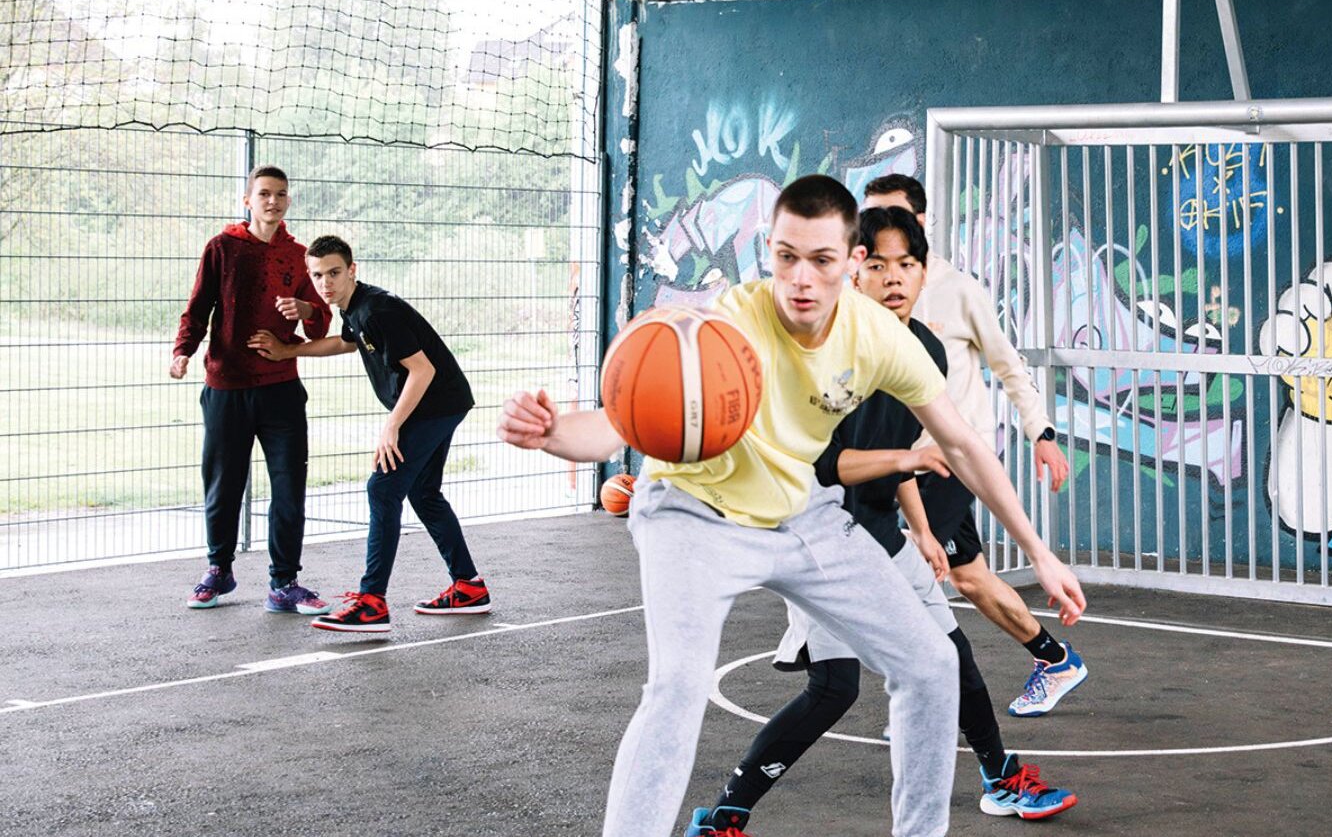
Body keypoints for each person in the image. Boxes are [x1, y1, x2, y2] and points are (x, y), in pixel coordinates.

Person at [498, 174, 1085, 837]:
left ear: (852, 262)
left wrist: (1039, 552)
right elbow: (618, 421)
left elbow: (965, 443)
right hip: (693, 513)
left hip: (802, 516)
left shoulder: (879, 338)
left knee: (931, 663)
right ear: (770, 251)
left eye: (822, 260)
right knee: (677, 687)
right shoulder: (728, 323)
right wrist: (552, 433)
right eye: (785, 256)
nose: (801, 278)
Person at [683, 206, 1076, 837]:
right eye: (880, 264)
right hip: (816, 536)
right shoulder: (828, 345)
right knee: (835, 687)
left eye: (909, 265)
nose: (895, 278)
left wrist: (919, 527)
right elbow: (831, 463)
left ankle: (1001, 777)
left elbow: (917, 449)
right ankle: (726, 813)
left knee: (950, 653)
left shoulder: (920, 348)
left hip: (880, 534)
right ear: (856, 271)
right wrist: (904, 463)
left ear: (924, 275)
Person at [863, 174, 1088, 717]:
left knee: (904, 576)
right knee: (969, 576)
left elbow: (1008, 366)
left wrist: (1043, 434)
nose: (876, 237)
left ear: (918, 224)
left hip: (955, 461)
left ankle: (930, 702)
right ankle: (1054, 658)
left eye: (890, 219)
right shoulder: (862, 294)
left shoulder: (957, 289)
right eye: (867, 225)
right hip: (900, 463)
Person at [249, 235, 488, 636]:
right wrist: (289, 352)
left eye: (335, 273)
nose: (326, 283)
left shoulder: (377, 309)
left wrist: (391, 425)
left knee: (383, 488)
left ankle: (372, 602)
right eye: (318, 275)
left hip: (435, 403)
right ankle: (468, 587)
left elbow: (422, 370)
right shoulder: (355, 309)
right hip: (443, 402)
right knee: (423, 493)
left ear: (352, 271)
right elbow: (346, 343)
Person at [170, 164, 329, 614]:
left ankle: (284, 583)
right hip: (227, 386)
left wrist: (304, 309)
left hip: (281, 388)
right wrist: (183, 351)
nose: (272, 201)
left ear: (288, 201)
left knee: (288, 486)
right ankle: (218, 571)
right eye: (263, 194)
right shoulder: (223, 248)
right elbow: (198, 307)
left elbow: (321, 319)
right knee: (224, 483)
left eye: (280, 194)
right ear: (248, 200)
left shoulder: (300, 256)